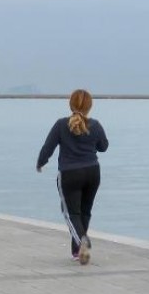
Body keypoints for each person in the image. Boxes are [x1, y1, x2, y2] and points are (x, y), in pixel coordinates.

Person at [36, 89, 109, 265]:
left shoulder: (61, 125)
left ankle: (82, 240)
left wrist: (41, 162)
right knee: (84, 211)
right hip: (92, 172)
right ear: (90, 106)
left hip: (70, 174)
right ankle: (77, 251)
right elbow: (104, 146)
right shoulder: (96, 125)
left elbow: (48, 147)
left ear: (70, 105)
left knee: (70, 213)